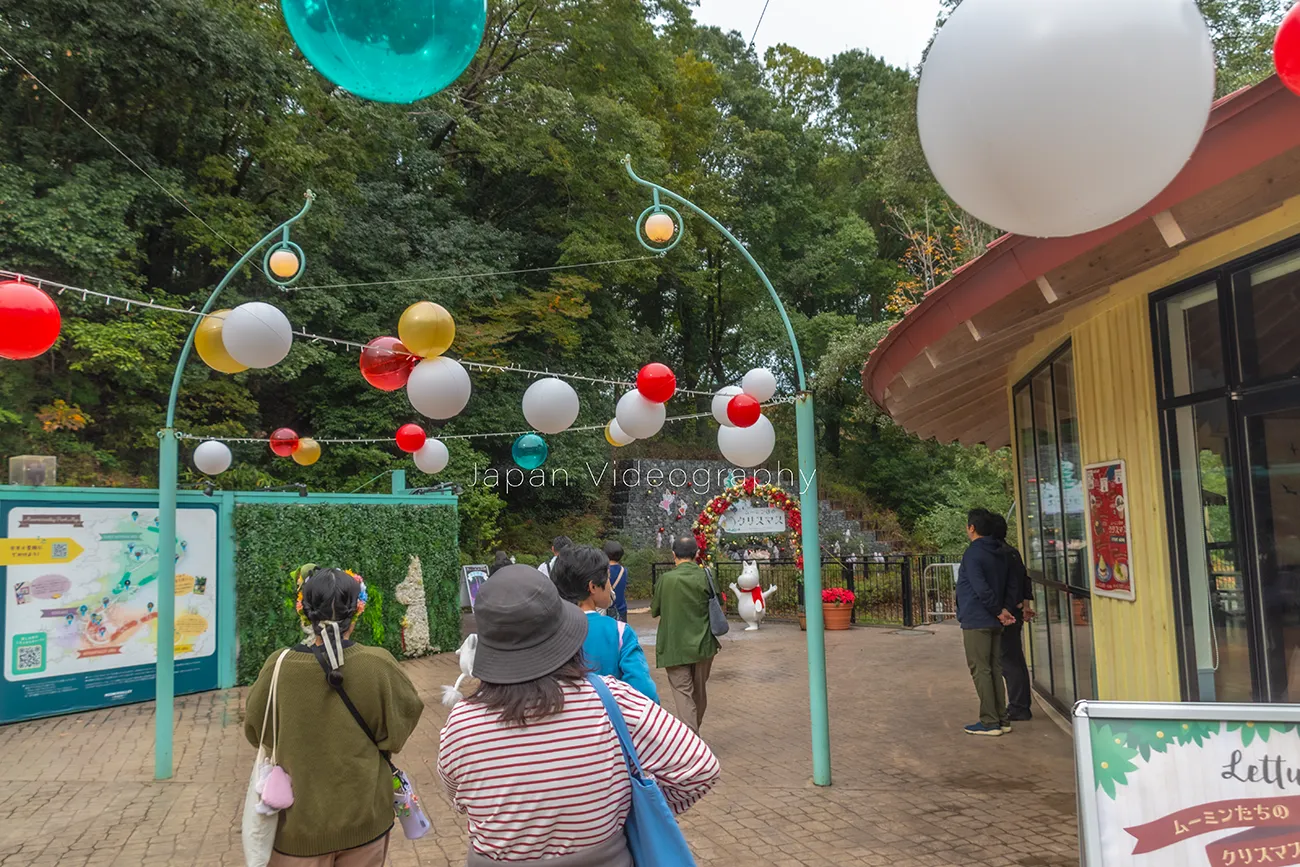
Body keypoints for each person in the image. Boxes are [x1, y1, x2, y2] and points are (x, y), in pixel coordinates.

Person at [438, 566, 719, 865]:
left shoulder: (462, 722)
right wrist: (626, 810)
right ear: (562, 633)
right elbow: (700, 768)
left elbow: (458, 793)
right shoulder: (610, 700)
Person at [244, 565, 424, 865]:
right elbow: (399, 728)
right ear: (356, 612)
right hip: (365, 821)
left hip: (297, 829)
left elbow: (257, 731)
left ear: (305, 612)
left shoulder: (279, 666)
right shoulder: (378, 665)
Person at [552, 545, 660, 703]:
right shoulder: (619, 632)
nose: (609, 585)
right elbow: (645, 694)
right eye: (608, 578)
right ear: (593, 586)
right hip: (607, 723)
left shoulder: (546, 630)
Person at [956, 510, 1019, 737]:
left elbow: (979, 587)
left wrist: (997, 610)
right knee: (994, 668)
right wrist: (1004, 611)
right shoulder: (1000, 552)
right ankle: (1002, 718)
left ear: (972, 528)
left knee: (980, 669)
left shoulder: (973, 553)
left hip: (977, 618)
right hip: (994, 619)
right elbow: (1010, 584)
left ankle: (989, 721)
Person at [651, 536, 720, 734]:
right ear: (696, 554)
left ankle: (691, 738)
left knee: (683, 692)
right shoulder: (707, 575)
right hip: (703, 643)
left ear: (674, 555)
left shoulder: (666, 579)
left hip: (674, 645)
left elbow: (655, 609)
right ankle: (693, 733)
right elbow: (718, 604)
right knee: (699, 691)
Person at [990, 513, 1036, 721]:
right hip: (1015, 611)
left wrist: (1004, 609)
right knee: (1014, 658)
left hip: (1007, 614)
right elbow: (1025, 580)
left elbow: (1011, 584)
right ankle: (1021, 704)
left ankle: (1019, 706)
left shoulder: (999, 555)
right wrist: (1025, 604)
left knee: (1007, 660)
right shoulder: (1013, 553)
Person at [603, 539, 629, 622]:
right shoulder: (623, 570)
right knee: (621, 633)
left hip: (608, 608)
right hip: (621, 608)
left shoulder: (603, 571)